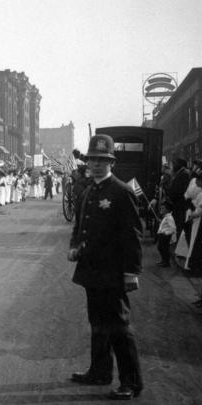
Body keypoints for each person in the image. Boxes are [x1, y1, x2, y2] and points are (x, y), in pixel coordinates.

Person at [68, 134, 143, 400]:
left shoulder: (122, 192)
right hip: (91, 271)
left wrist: (131, 271)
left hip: (113, 272)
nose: (96, 165)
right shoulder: (90, 190)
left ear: (112, 162)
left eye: (102, 160)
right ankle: (99, 372)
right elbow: (80, 223)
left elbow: (133, 234)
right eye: (92, 160)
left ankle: (131, 382)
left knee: (119, 327)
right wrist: (74, 245)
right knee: (97, 324)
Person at [156, 200, 176, 267]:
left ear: (167, 210)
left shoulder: (169, 218)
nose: (161, 209)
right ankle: (163, 260)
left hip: (165, 236)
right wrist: (160, 221)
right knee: (160, 248)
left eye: (163, 208)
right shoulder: (165, 217)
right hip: (162, 235)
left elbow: (173, 228)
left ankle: (166, 262)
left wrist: (166, 233)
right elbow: (165, 225)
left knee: (164, 249)